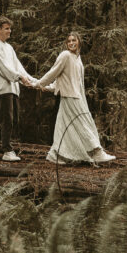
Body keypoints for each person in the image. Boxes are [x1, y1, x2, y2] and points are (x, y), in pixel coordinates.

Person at [35, 32, 115, 164]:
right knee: (83, 123)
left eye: (74, 40)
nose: (71, 43)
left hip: (77, 96)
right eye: (69, 41)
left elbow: (66, 79)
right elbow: (53, 73)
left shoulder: (77, 58)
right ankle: (96, 152)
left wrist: (49, 87)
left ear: (79, 42)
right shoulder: (65, 55)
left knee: (64, 126)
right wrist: (39, 84)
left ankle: (55, 154)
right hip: (71, 97)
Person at [0, 16, 37, 162]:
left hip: (13, 87)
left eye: (10, 28)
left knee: (13, 120)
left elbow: (18, 67)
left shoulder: (9, 47)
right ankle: (7, 150)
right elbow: (4, 69)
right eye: (6, 28)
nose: (9, 31)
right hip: (3, 88)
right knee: (8, 119)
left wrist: (31, 80)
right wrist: (19, 78)